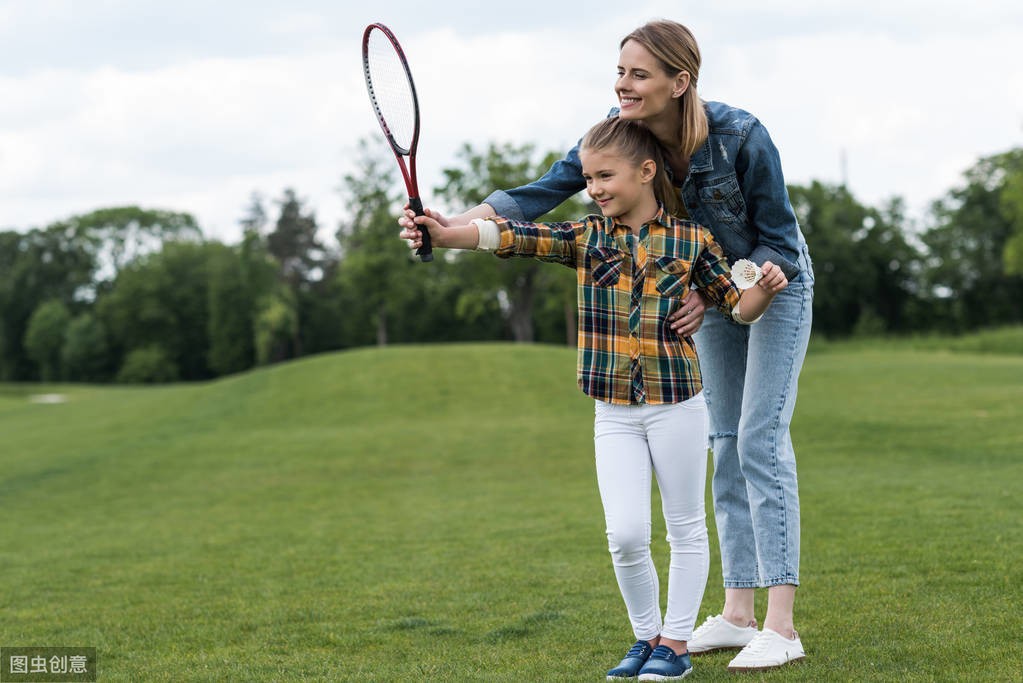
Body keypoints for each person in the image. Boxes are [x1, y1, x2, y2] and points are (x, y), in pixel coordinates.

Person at [399, 20, 813, 673]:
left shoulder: (740, 135)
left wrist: (720, 290)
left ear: (680, 82)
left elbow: (777, 242)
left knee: (759, 438)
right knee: (725, 441)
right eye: (619, 71)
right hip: (695, 289)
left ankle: (781, 624)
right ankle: (736, 614)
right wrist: (450, 226)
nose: (622, 85)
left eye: (639, 74)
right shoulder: (619, 135)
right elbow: (536, 198)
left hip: (766, 284)